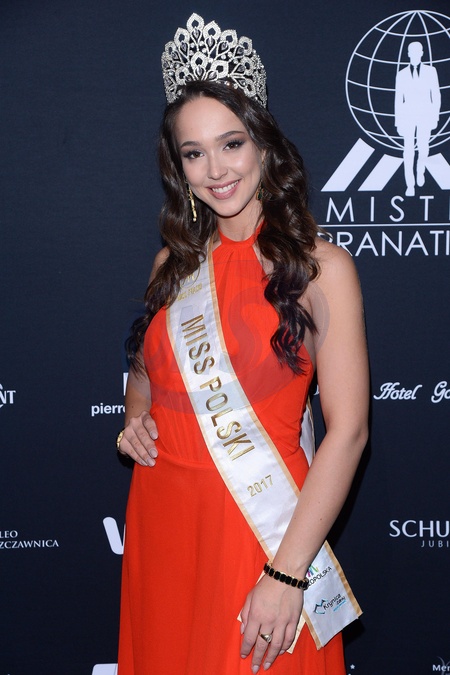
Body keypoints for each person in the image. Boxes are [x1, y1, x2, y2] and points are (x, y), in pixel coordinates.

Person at [116, 13, 369, 675]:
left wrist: (286, 575)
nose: (216, 169)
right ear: (178, 166)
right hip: (163, 522)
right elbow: (145, 372)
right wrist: (134, 418)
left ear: (263, 143)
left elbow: (348, 433)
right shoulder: (171, 264)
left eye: (231, 143)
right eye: (193, 152)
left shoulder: (321, 269)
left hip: (261, 534)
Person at [395, 41, 441, 197]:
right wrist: (398, 122)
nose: (415, 54)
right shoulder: (401, 74)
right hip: (407, 118)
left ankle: (420, 171)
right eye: (412, 52)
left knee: (423, 147)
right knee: (408, 151)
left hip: (425, 116)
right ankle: (410, 185)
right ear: (408, 54)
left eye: (417, 51)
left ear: (422, 53)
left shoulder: (431, 71)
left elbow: (436, 95)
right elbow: (398, 99)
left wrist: (435, 117)